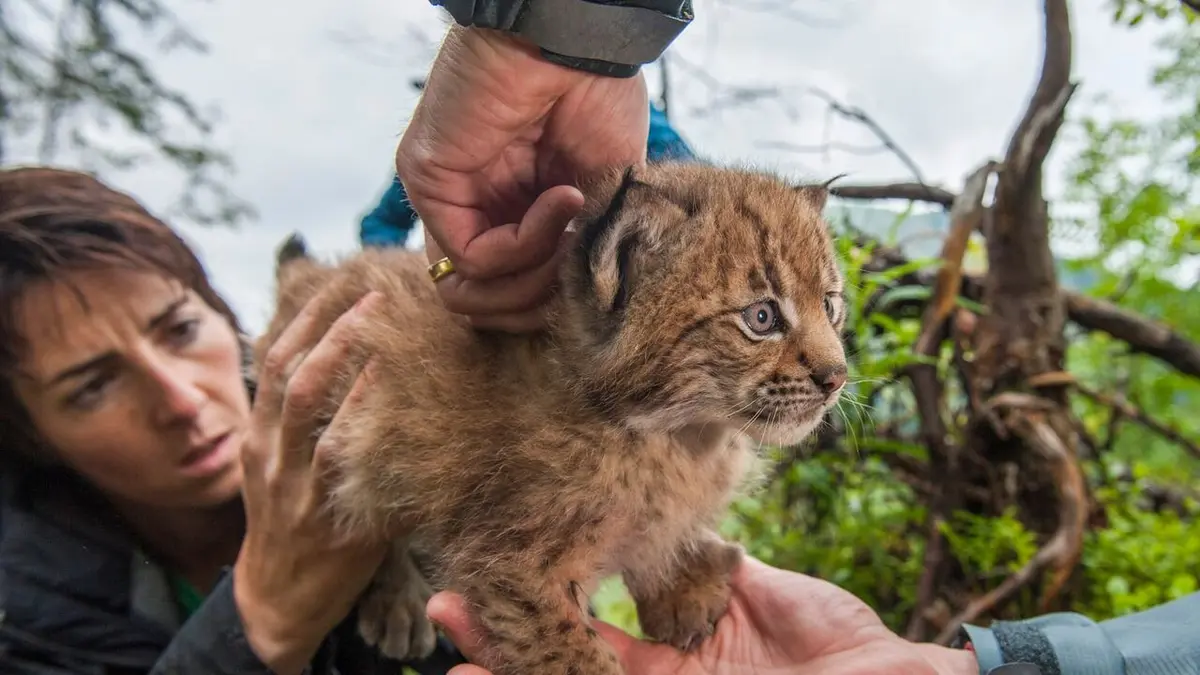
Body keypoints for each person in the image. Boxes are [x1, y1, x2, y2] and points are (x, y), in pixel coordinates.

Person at [395, 2, 1200, 674]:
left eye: (830, 311)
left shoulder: (707, 444)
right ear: (627, 269)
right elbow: (513, 579)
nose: (829, 365)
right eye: (762, 318)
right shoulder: (558, 442)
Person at [0, 166, 467, 675]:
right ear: (29, 435)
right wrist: (260, 623)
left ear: (221, 312)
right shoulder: (23, 610)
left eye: (180, 330)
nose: (181, 400)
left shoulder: (378, 427)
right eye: (93, 386)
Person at [359, 100, 696, 250]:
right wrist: (422, 275)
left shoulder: (638, 119)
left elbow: (698, 192)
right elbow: (380, 224)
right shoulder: (448, 142)